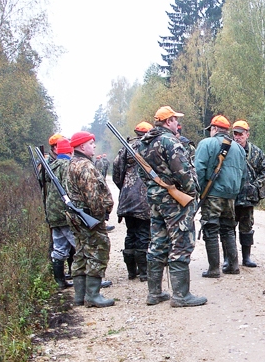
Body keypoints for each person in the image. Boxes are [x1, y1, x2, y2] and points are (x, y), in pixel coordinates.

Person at [138, 106, 206, 307]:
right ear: (168, 121)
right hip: (174, 199)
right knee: (181, 242)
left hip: (156, 198)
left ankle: (155, 293)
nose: (178, 124)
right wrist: (192, 192)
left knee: (158, 242)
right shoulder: (170, 141)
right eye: (175, 120)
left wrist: (155, 187)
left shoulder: (144, 143)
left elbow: (143, 174)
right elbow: (183, 172)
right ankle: (180, 295)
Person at [66, 131, 115, 308]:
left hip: (77, 217)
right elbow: (93, 196)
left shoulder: (72, 164)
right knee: (98, 250)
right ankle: (93, 296)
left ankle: (80, 296)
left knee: (81, 253)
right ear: (81, 146)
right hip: (89, 217)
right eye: (91, 143)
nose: (94, 146)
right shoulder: (85, 166)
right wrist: (100, 215)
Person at [195, 115, 246, 278]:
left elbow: (198, 170)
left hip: (212, 194)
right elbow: (244, 175)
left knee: (210, 228)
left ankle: (214, 268)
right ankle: (233, 265)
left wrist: (201, 191)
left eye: (210, 129)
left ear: (214, 129)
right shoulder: (239, 148)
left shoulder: (206, 144)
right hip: (231, 196)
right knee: (228, 228)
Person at [112, 121, 152, 282]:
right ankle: (144, 272)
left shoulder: (125, 148)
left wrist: (125, 187)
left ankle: (131, 271)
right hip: (144, 198)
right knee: (143, 233)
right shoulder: (150, 147)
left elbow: (116, 172)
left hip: (127, 198)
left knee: (131, 233)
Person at [231, 120, 265, 268]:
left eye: (240, 134)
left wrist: (255, 185)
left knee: (246, 228)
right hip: (231, 197)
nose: (237, 137)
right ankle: (230, 258)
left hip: (248, 198)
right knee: (229, 228)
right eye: (235, 133)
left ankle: (246, 258)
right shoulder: (227, 150)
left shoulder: (256, 152)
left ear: (247, 134)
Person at [44, 138, 76, 289]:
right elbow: (70, 189)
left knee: (59, 248)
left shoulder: (51, 165)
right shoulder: (68, 165)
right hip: (65, 213)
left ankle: (60, 281)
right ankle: (90, 281)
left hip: (53, 212)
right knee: (81, 246)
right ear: (70, 151)